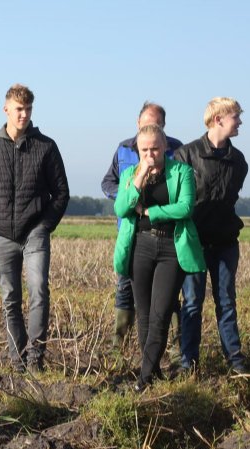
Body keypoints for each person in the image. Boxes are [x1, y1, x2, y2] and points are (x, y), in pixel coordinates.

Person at [0, 84, 70, 372]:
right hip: (1, 236)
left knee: (39, 290)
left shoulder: (46, 147)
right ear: (6, 109)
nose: (24, 114)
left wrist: (45, 226)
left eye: (28, 109)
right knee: (10, 300)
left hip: (34, 233)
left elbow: (62, 193)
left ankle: (35, 358)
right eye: (19, 109)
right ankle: (17, 361)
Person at [113, 124, 205, 390]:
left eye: (155, 148)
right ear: (138, 151)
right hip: (140, 246)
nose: (150, 154)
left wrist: (149, 212)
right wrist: (140, 175)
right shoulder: (130, 173)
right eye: (144, 150)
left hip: (170, 248)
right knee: (143, 315)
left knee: (161, 313)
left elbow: (185, 207)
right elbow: (121, 207)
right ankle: (151, 372)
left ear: (165, 147)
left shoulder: (182, 172)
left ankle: (143, 379)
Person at [174, 97, 248, 373]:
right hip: (194, 243)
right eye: (235, 117)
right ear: (219, 120)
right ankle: (188, 363)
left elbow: (231, 196)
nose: (240, 122)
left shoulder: (238, 161)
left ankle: (236, 362)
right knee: (192, 302)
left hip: (226, 243)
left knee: (226, 302)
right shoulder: (186, 155)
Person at [101, 102, 183, 346]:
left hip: (167, 235)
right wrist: (128, 198)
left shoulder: (177, 150)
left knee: (167, 293)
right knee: (125, 285)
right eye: (145, 123)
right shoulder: (123, 149)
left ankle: (174, 348)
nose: (149, 127)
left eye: (155, 124)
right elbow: (108, 183)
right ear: (137, 124)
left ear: (164, 128)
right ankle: (118, 344)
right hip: (131, 230)